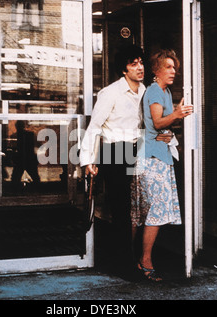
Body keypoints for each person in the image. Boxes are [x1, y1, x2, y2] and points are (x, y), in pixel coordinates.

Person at [79, 45, 146, 280]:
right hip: (114, 151)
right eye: (133, 63)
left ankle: (127, 258)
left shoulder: (143, 90)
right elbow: (95, 126)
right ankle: (123, 264)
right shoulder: (110, 93)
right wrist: (88, 159)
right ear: (123, 69)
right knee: (121, 209)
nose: (139, 67)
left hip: (134, 150)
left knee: (132, 208)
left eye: (140, 62)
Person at [130, 49, 193, 282]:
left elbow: (159, 128)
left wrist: (168, 130)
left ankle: (136, 259)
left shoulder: (164, 92)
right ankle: (144, 260)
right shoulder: (155, 91)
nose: (174, 71)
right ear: (156, 71)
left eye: (174, 68)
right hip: (151, 160)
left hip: (159, 157)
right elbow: (157, 122)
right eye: (169, 67)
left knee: (146, 212)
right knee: (153, 212)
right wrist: (176, 114)